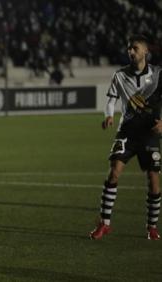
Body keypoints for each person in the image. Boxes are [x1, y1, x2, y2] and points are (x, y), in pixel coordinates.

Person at [89, 35, 162, 240]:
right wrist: (109, 116)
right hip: (127, 132)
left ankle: (152, 227)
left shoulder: (158, 74)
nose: (131, 51)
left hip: (149, 135)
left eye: (135, 48)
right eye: (129, 48)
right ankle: (104, 224)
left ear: (145, 52)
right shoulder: (120, 75)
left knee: (154, 182)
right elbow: (111, 100)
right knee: (114, 172)